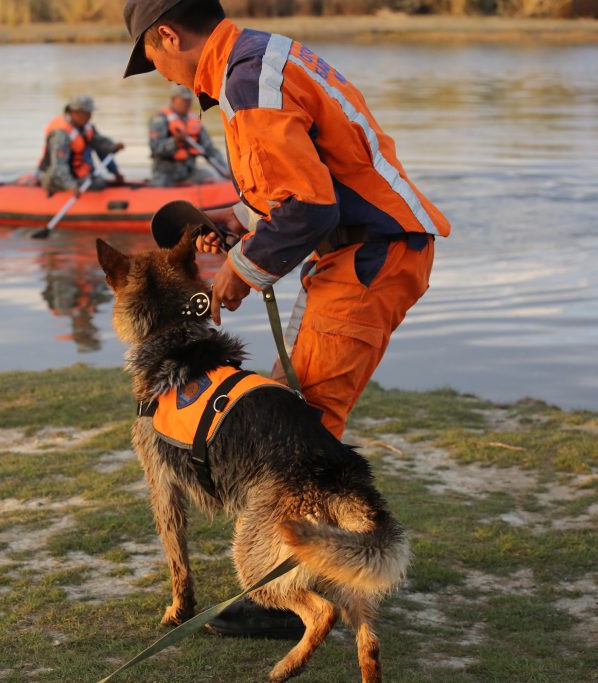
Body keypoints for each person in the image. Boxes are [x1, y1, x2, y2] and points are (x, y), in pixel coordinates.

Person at [122, 0, 451, 638]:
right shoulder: (259, 59)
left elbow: (309, 208)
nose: (161, 74)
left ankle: (288, 594)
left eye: (152, 58)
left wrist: (241, 270)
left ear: (168, 34)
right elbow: (303, 182)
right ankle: (303, 570)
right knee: (288, 409)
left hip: (367, 257)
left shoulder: (247, 81)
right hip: (368, 251)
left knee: (301, 425)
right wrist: (238, 222)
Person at [38, 96, 126, 194]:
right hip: (54, 177)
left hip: (75, 172)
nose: (90, 117)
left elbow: (99, 143)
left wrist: (113, 147)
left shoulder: (85, 126)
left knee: (98, 180)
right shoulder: (61, 134)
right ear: (75, 112)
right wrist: (71, 185)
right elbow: (58, 167)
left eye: (90, 113)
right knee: (98, 183)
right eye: (86, 113)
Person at [149, 84, 226, 186]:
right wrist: (175, 142)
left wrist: (226, 170)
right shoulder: (160, 120)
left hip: (188, 172)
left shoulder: (194, 121)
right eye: (184, 100)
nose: (187, 103)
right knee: (162, 184)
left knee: (209, 176)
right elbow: (155, 148)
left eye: (189, 100)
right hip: (166, 174)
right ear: (173, 99)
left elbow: (210, 149)